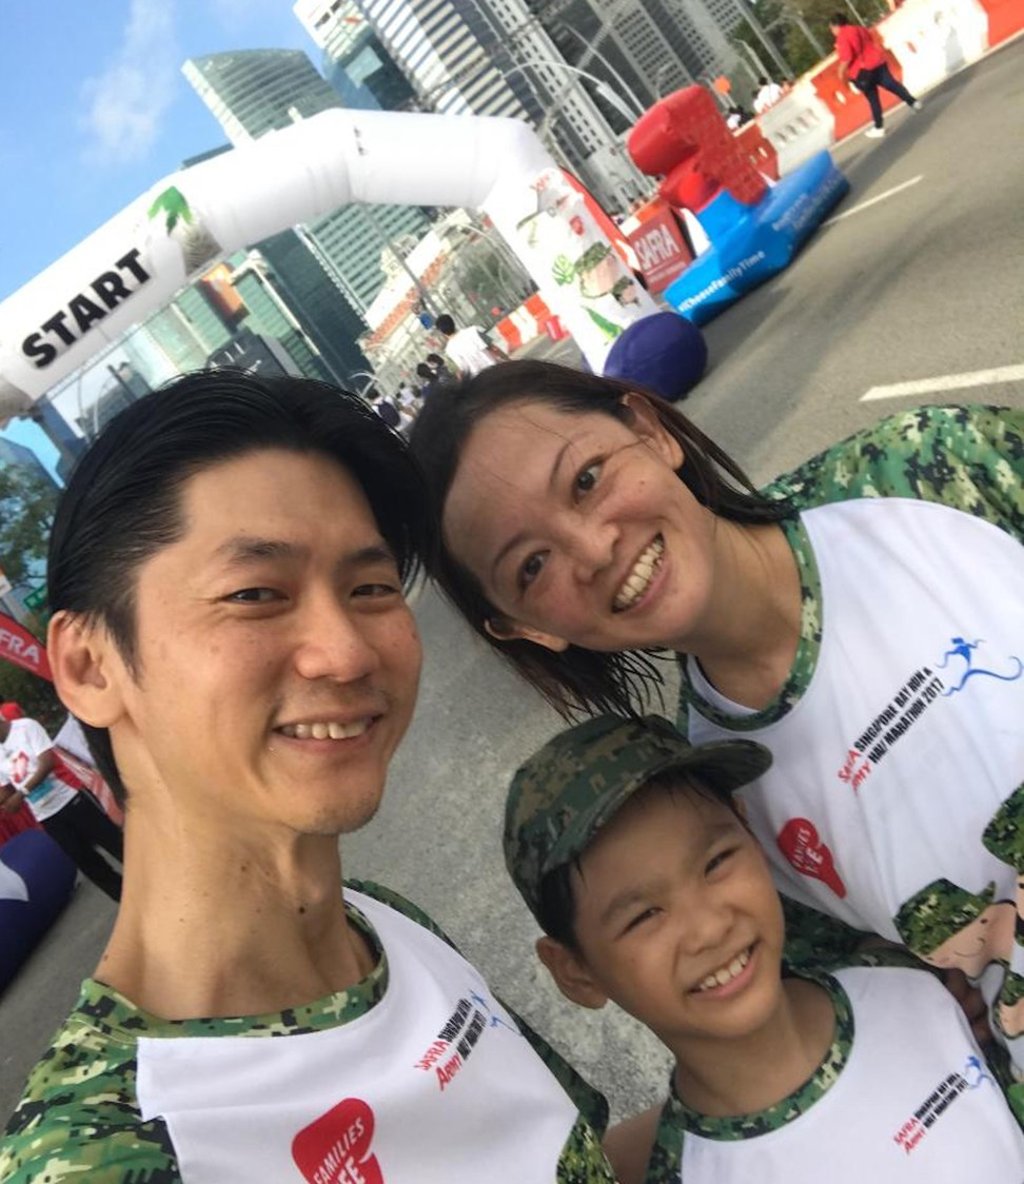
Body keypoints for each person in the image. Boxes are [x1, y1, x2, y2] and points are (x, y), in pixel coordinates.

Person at [0, 371, 614, 1183]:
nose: (349, 651)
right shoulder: (103, 1154)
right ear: (87, 664)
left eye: (369, 588)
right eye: (256, 593)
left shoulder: (384, 926)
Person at [408, 358, 1024, 1097]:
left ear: (650, 428)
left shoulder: (919, 472)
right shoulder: (715, 805)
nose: (596, 548)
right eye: (533, 564)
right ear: (526, 629)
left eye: (586, 479)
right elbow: (922, 1008)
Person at [506, 714, 1024, 1182]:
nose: (709, 929)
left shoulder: (913, 971)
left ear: (748, 828)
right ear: (575, 972)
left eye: (716, 863)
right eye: (643, 916)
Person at [0, 710, 122, 900]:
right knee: (87, 862)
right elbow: (5, 790)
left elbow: (47, 761)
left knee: (115, 842)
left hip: (70, 797)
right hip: (47, 815)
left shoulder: (25, 727)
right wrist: (7, 799)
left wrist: (21, 794)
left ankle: (157, 882)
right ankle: (127, 899)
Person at [830, 13, 921, 138]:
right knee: (892, 85)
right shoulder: (860, 29)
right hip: (877, 61)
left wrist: (841, 74)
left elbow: (847, 57)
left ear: (836, 26)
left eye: (832, 29)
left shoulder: (842, 37)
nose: (832, 32)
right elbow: (870, 41)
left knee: (873, 99)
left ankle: (879, 127)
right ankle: (913, 102)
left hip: (863, 71)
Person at [436, 313, 508, 379]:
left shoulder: (449, 351)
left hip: (480, 382)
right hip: (496, 371)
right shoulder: (473, 331)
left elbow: (461, 372)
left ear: (441, 331)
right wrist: (508, 360)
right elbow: (494, 349)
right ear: (453, 322)